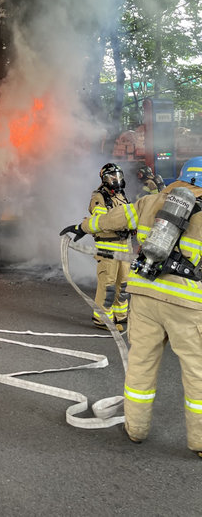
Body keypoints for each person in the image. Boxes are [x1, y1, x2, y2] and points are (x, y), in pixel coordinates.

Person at [60, 156, 202, 458]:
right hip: (188, 306)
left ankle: (136, 429)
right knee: (197, 374)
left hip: (145, 298)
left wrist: (81, 226)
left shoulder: (150, 202)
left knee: (140, 365)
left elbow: (112, 219)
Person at [86, 163, 132, 330]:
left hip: (124, 246)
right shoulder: (99, 197)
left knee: (125, 283)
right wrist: (124, 223)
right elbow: (102, 223)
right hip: (108, 247)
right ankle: (103, 318)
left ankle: (121, 314)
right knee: (108, 284)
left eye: (118, 176)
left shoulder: (121, 195)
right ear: (104, 179)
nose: (116, 179)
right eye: (112, 176)